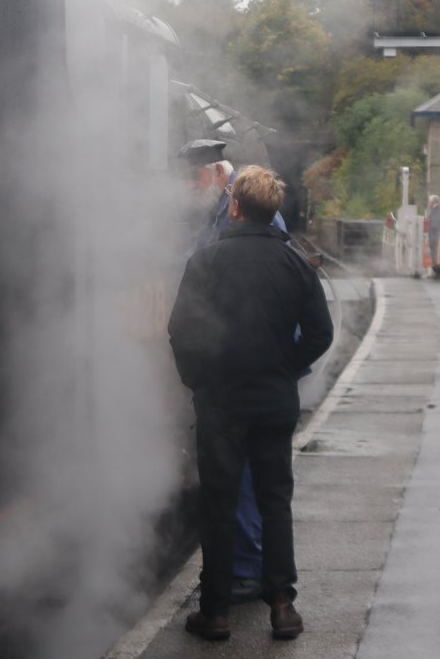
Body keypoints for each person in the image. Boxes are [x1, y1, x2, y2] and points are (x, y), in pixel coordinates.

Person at [168, 166, 334, 641]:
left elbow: (181, 330)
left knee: (218, 505)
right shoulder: (296, 264)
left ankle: (216, 611)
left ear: (235, 207)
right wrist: (285, 367)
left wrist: (197, 381)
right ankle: (283, 607)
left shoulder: (205, 261)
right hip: (274, 399)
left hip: (221, 401)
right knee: (275, 501)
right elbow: (320, 333)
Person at [179, 138, 285, 604]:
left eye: (197, 178)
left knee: (239, 478)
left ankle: (245, 572)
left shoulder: (248, 220)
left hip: (242, 372)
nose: (190, 186)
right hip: (246, 370)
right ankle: (264, 581)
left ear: (222, 177)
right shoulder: (218, 214)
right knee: (249, 480)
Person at [427, 195, 440, 279]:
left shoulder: (435, 211)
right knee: (439, 253)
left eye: (429, 202)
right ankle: (439, 270)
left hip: (436, 236)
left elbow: (435, 225)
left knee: (435, 254)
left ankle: (438, 271)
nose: (428, 204)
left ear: (433, 202)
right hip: (439, 235)